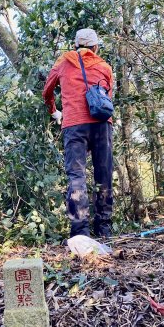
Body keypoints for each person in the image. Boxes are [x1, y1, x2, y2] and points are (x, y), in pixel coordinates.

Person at [42, 28, 114, 238]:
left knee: (76, 177)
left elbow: (47, 91)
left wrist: (54, 111)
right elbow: (107, 96)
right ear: (95, 47)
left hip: (74, 125)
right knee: (104, 176)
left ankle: (80, 233)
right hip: (102, 123)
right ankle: (104, 230)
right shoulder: (104, 66)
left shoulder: (63, 61)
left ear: (75, 46)